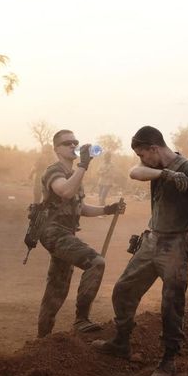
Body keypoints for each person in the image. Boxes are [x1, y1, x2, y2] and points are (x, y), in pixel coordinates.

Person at [92, 125, 188, 376]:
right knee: (123, 289)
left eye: (143, 154)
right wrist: (164, 174)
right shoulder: (156, 170)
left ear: (154, 148)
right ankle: (121, 342)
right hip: (152, 240)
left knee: (171, 304)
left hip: (175, 244)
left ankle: (169, 359)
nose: (141, 159)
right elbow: (134, 172)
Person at [37, 129, 126, 338]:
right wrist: (83, 165)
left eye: (74, 142)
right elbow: (65, 191)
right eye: (67, 143)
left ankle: (42, 339)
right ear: (57, 149)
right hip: (52, 231)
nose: (72, 145)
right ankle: (81, 319)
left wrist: (107, 209)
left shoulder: (74, 175)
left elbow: (80, 208)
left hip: (66, 233)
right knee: (96, 262)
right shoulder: (54, 171)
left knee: (57, 287)